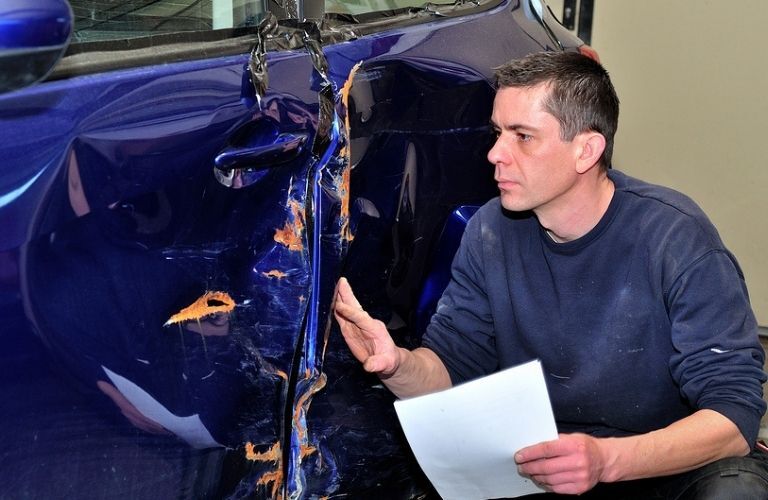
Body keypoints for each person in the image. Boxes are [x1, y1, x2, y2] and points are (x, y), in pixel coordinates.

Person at [333, 51, 768, 498]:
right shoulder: (490, 232)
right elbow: (452, 370)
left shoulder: (675, 237)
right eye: (498, 132)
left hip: (660, 461)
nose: (495, 154)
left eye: (523, 136)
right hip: (549, 465)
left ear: (586, 150)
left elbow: (734, 417)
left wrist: (607, 460)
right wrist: (395, 363)